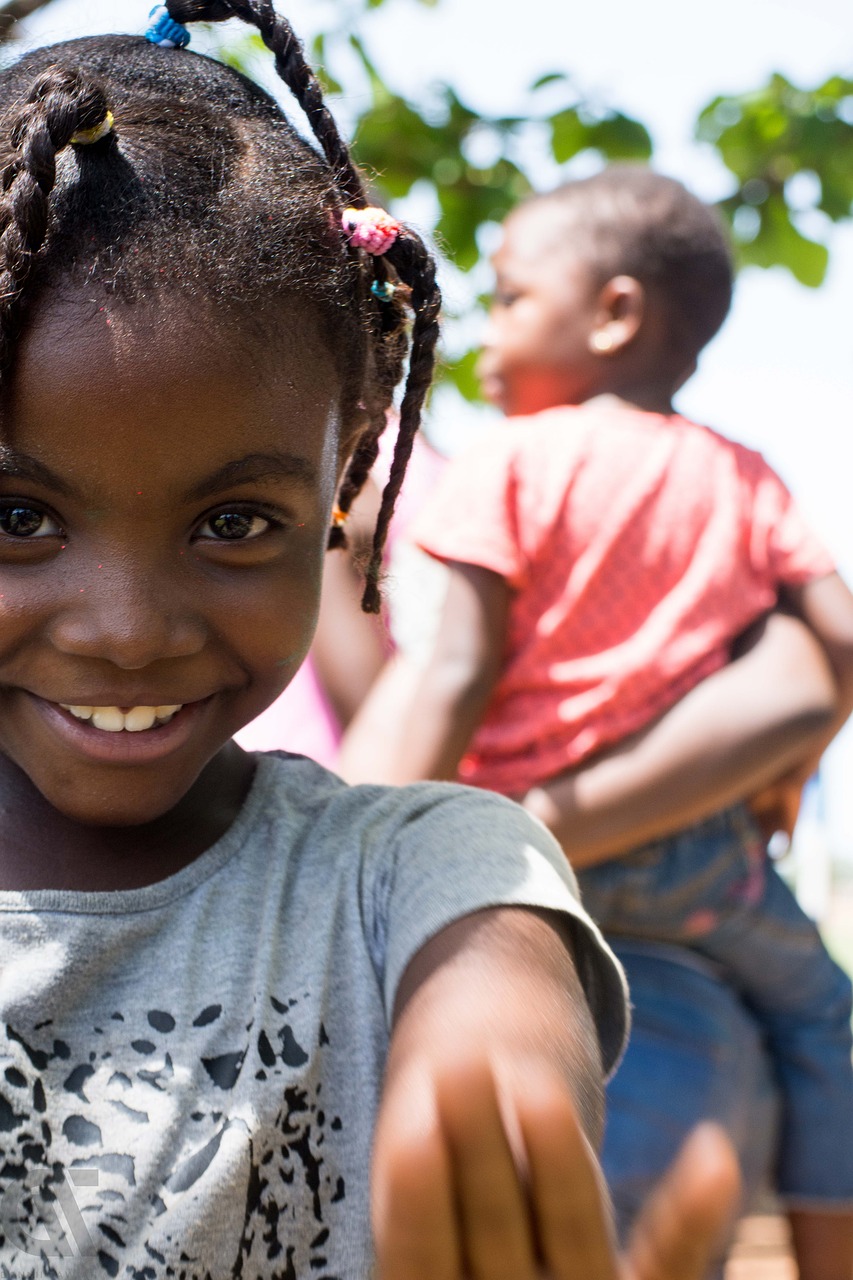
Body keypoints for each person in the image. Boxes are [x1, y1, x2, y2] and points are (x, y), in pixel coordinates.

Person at [0, 6, 745, 1277]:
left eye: (233, 521)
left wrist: (500, 1065)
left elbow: (495, 955)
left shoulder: (410, 867)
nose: (127, 631)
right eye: (19, 516)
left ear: (344, 484)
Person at [349, 169, 853, 1278]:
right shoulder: (743, 473)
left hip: (515, 848)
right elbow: (840, 640)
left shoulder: (509, 463)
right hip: (697, 864)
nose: (487, 321)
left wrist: (368, 844)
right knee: (825, 1023)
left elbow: (455, 669)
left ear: (614, 312)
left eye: (514, 295)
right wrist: (785, 773)